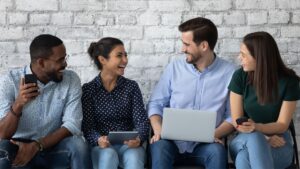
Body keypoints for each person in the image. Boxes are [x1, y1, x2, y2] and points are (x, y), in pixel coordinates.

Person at [147, 17, 236, 169]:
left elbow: (233, 116)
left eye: (187, 44)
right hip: (170, 143)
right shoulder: (174, 68)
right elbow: (155, 104)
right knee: (159, 148)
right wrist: (158, 129)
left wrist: (214, 134)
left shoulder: (230, 73)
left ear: (204, 46)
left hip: (206, 145)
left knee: (217, 152)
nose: (182, 49)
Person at [0, 34, 91, 169]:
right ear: (41, 62)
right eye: (60, 60)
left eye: (65, 58)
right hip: (19, 149)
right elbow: (3, 134)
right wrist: (18, 104)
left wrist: (37, 145)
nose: (65, 64)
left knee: (78, 145)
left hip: (53, 147)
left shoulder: (71, 80)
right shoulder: (10, 81)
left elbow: (72, 125)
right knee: (1, 149)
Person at [228, 31, 300, 169]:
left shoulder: (289, 82)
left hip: (280, 142)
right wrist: (264, 138)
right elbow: (237, 122)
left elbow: (282, 124)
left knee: (244, 159)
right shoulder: (239, 77)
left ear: (259, 58)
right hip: (244, 138)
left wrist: (257, 127)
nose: (239, 58)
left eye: (243, 55)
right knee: (255, 139)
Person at [82, 37, 149, 169]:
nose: (125, 60)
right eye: (119, 55)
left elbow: (141, 122)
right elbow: (88, 127)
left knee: (134, 157)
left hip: (129, 146)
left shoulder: (131, 87)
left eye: (125, 55)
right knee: (108, 155)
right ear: (102, 60)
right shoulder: (88, 90)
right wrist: (98, 139)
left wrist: (139, 138)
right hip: (102, 147)